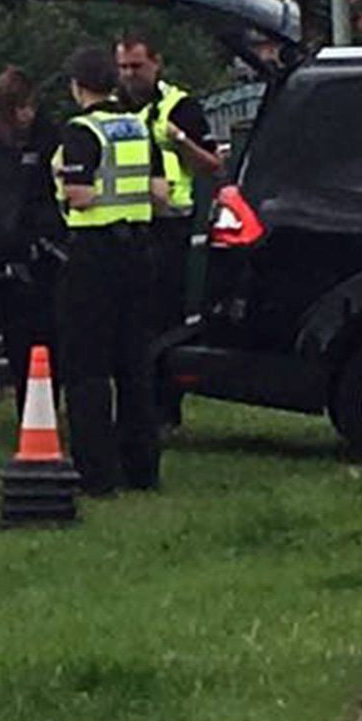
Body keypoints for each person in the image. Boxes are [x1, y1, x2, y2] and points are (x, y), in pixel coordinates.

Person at [53, 45, 168, 495]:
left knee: (88, 369)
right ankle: (143, 469)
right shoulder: (138, 127)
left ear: (77, 86)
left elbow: (79, 195)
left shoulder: (80, 131)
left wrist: (70, 191)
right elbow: (159, 192)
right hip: (139, 252)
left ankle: (97, 474)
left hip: (94, 256)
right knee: (135, 366)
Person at [116, 32, 225, 427]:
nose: (129, 75)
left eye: (136, 67)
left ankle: (166, 409)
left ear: (156, 64)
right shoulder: (114, 110)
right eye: (123, 67)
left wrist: (179, 141)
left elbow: (213, 165)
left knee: (165, 322)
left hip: (170, 228)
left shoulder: (180, 108)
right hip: (127, 225)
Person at [0, 66, 63, 412]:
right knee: (18, 340)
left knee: (53, 336)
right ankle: (28, 408)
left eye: (30, 107)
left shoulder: (48, 139)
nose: (27, 115)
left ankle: (50, 403)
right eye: (19, 107)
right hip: (8, 256)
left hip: (48, 253)